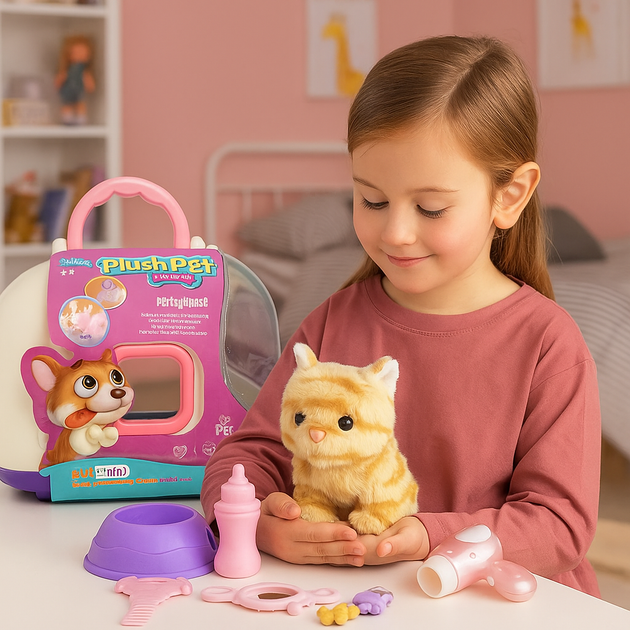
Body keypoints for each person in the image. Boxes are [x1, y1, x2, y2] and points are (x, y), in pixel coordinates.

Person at [201, 35, 601, 596]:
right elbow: (250, 454)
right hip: (360, 602)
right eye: (372, 200)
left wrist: (431, 537)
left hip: (500, 603)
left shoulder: (548, 343)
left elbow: (558, 524)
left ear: (509, 196)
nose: (395, 233)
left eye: (430, 208)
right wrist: (253, 517)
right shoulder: (332, 322)